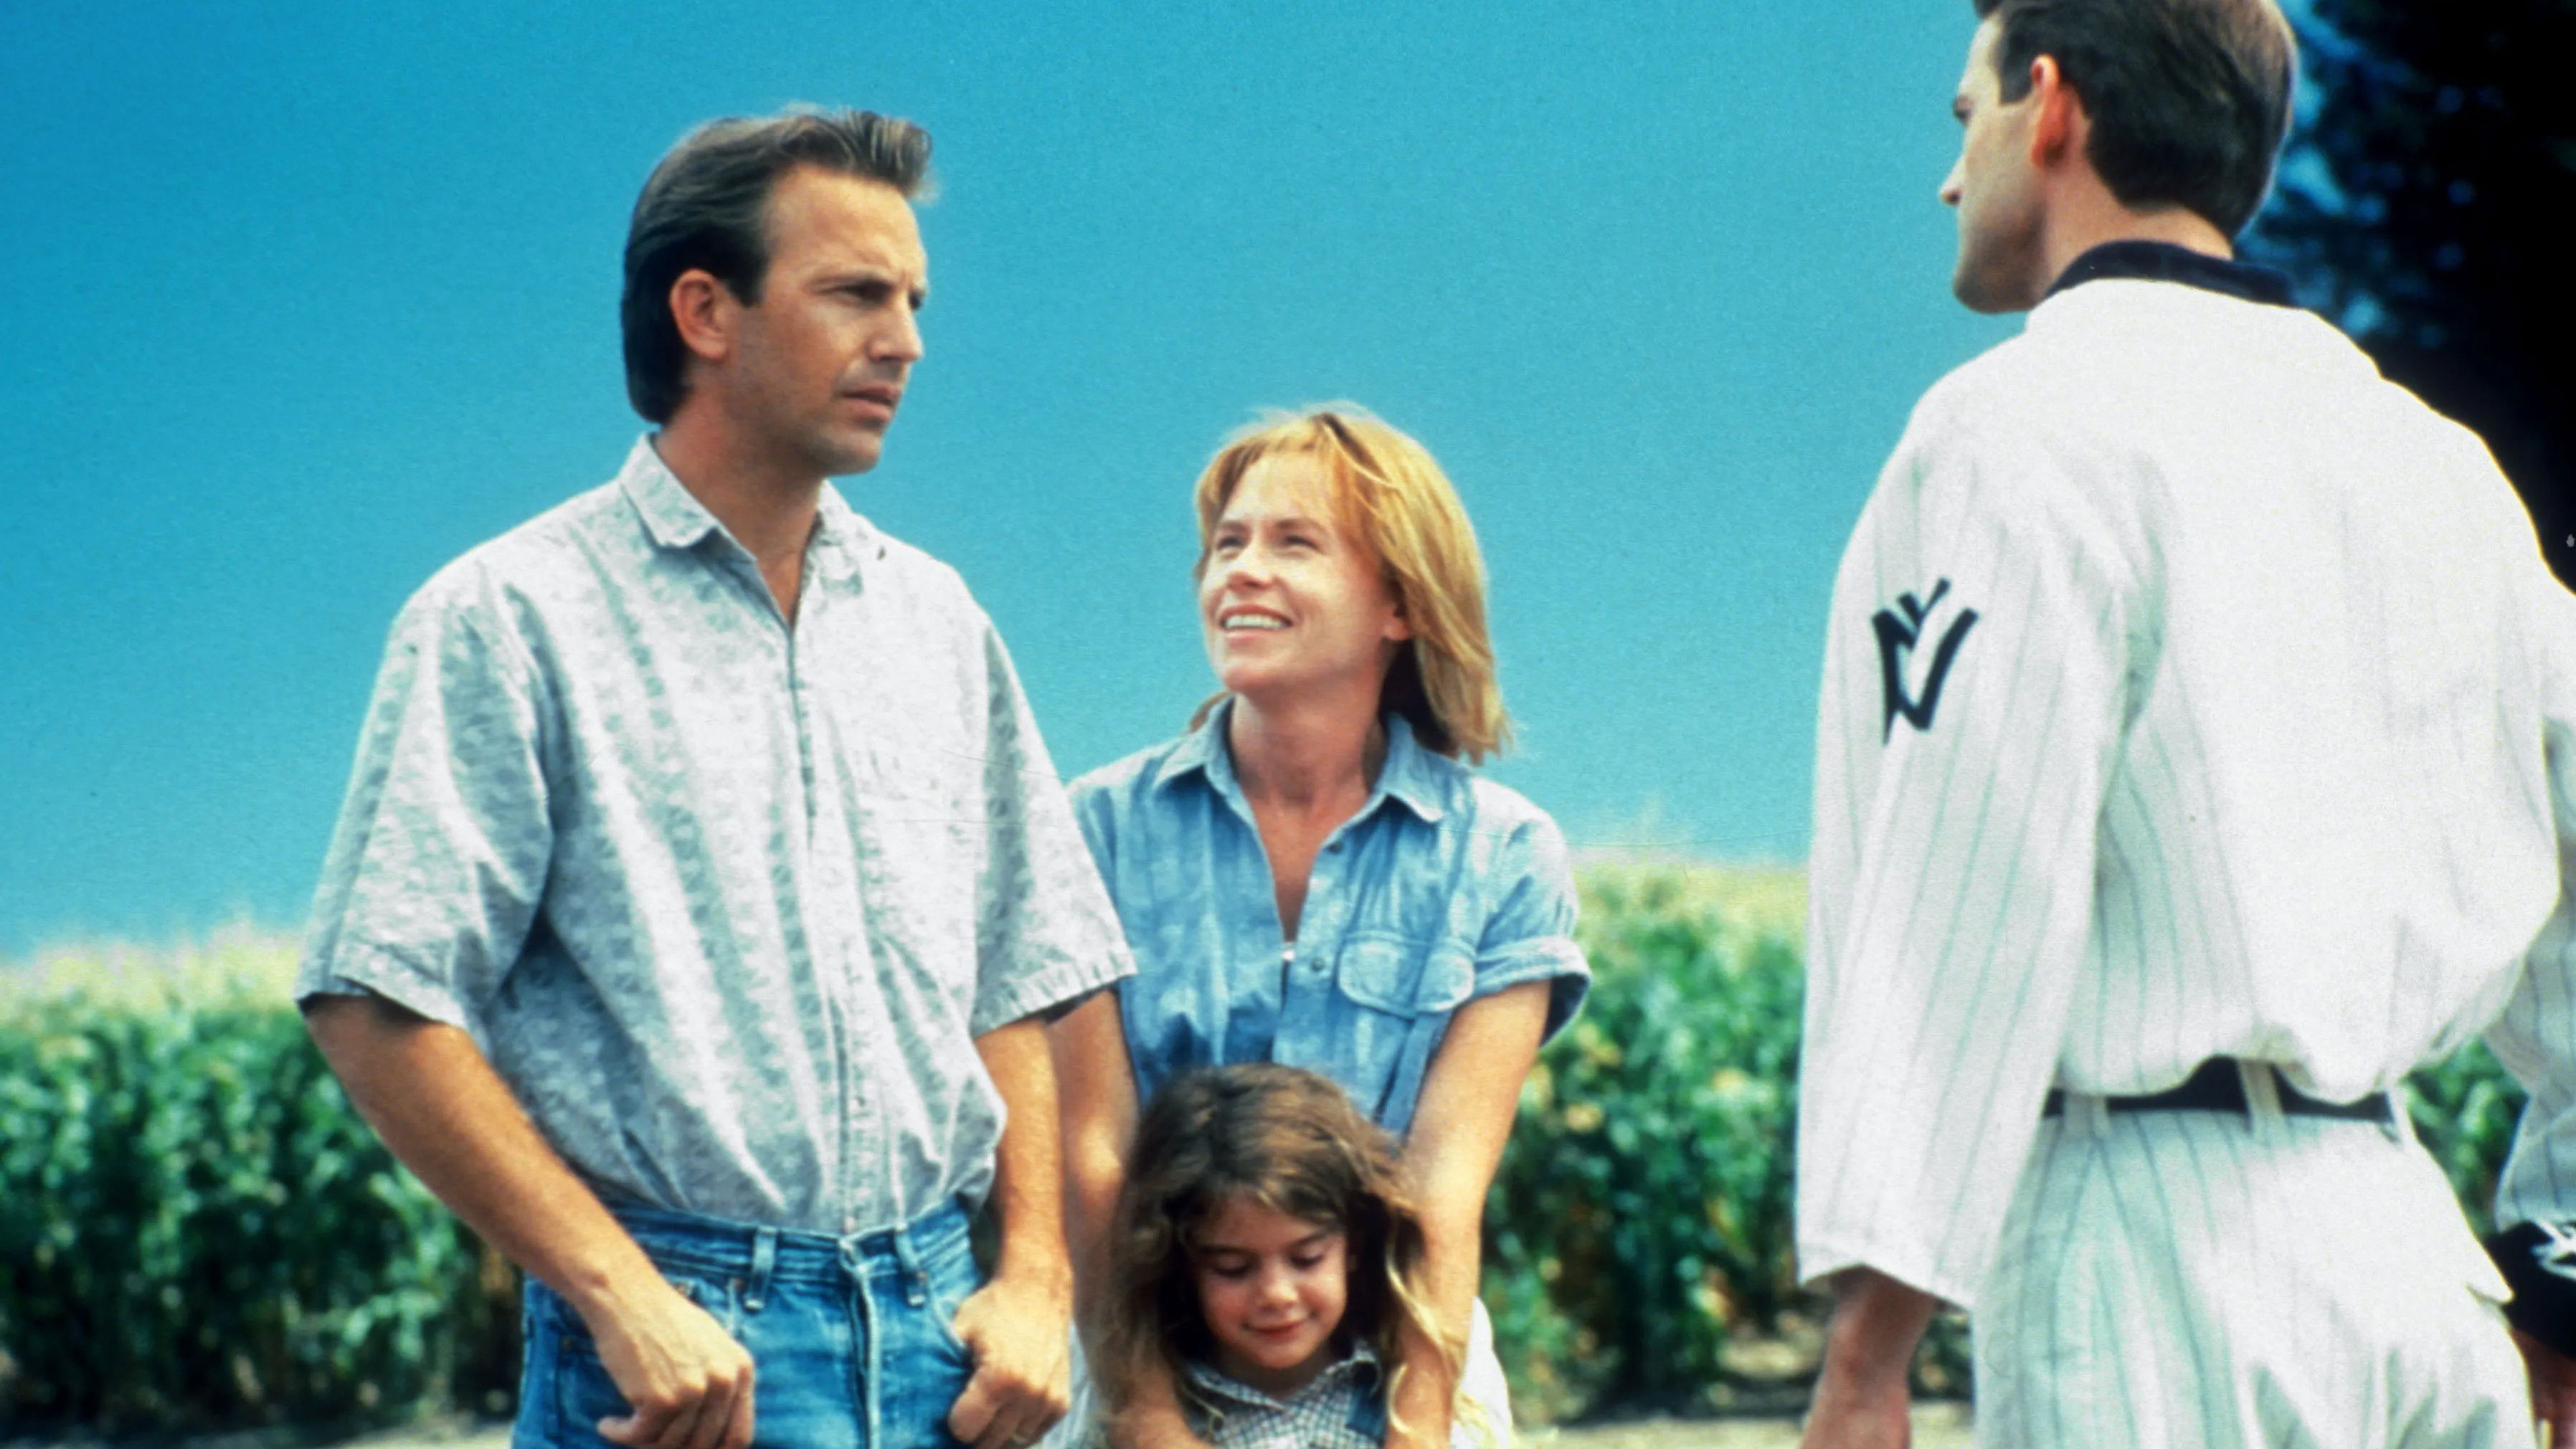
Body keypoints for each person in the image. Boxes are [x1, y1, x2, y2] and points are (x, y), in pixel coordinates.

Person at [1794, 1, 2576, 1445]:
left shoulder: (2012, 429)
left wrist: (1865, 1352)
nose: (1949, 179)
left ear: (2049, 103)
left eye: (1963, 117)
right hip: (2417, 1273)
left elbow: (1961, 891)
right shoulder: (2440, 468)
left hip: (2146, 1266)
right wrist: (2563, 1273)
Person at [295, 109, 1131, 1449]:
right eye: (855, 293)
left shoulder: (938, 619)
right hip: (684, 1370)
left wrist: (1035, 1277)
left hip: (949, 1357)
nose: (906, 342)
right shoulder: (511, 617)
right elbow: (376, 996)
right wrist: (620, 1295)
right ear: (704, 311)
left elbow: (1020, 970)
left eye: (913, 301)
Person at [1051, 408, 1588, 1449]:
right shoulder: (1098, 829)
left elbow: (1442, 1185)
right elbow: (1096, 1155)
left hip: (1401, 1353)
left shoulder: (1503, 855)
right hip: (1139, 1352)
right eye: (1228, 544)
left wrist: (1416, 1427)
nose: (1242, 571)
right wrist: (1148, 1417)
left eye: (1294, 542)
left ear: (1401, 602)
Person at [1099, 1063, 1492, 1449]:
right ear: (1183, 1265)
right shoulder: (1155, 1415)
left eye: (1307, 1259)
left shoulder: (1410, 1403)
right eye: (1233, 1269)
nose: (1277, 1294)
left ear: (1353, 1245)